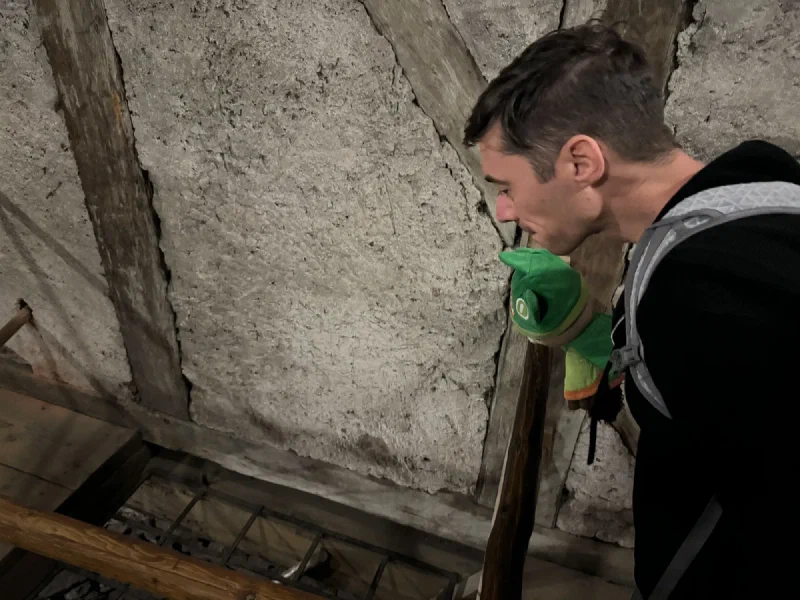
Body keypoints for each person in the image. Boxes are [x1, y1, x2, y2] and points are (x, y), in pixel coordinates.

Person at [463, 22, 800, 599]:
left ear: (580, 162)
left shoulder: (705, 298)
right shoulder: (756, 184)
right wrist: (590, 334)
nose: (505, 208)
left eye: (507, 184)